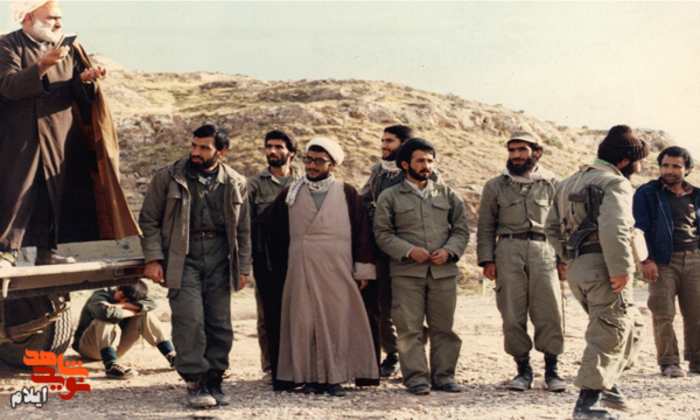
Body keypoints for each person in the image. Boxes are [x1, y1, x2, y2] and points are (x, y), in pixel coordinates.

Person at [0, 1, 139, 269]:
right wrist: (42, 65)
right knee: (16, 192)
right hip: (20, 137)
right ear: (28, 18)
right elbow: (8, 86)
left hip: (59, 134)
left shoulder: (68, 48)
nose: (59, 24)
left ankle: (47, 252)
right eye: (52, 18)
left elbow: (78, 97)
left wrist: (85, 81)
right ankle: (7, 253)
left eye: (60, 18)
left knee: (54, 191)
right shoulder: (7, 45)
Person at [254, 137, 379, 397]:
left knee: (338, 321)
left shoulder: (347, 192)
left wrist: (363, 269)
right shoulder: (291, 193)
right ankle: (309, 377)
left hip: (338, 269)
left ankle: (336, 377)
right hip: (301, 268)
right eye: (308, 160)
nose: (311, 165)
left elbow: (362, 232)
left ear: (333, 165)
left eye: (318, 161)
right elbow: (266, 227)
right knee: (304, 321)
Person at [139, 124, 251, 408]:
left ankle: (215, 379)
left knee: (219, 323)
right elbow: (149, 220)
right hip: (182, 257)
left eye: (204, 148)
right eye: (194, 145)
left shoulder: (236, 182)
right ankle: (195, 380)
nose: (196, 152)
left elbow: (243, 230)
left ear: (221, 153)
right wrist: (153, 258)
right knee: (189, 319)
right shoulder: (169, 176)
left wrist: (243, 268)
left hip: (219, 259)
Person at [545, 125, 647, 420]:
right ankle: (588, 403)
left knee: (633, 325)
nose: (640, 168)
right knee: (609, 332)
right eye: (638, 161)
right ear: (625, 161)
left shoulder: (567, 182)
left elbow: (550, 227)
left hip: (580, 268)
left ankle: (608, 384)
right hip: (604, 266)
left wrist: (571, 259)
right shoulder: (615, 183)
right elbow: (615, 229)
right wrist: (622, 270)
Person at [374, 138, 470, 395]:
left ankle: (445, 377)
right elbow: (382, 233)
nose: (426, 165)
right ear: (405, 164)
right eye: (420, 161)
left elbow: (461, 230)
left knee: (444, 329)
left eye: (430, 161)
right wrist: (408, 251)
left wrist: (449, 251)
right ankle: (416, 378)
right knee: (409, 329)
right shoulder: (389, 197)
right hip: (406, 273)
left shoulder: (447, 194)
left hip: (443, 273)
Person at [476, 131, 566, 392]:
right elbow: (485, 225)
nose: (516, 155)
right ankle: (523, 371)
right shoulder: (495, 185)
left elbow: (563, 225)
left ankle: (552, 371)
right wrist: (487, 259)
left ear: (536, 152)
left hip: (544, 249)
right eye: (512, 150)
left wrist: (563, 259)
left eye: (522, 150)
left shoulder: (553, 184)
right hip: (507, 250)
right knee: (512, 312)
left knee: (549, 311)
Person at [361, 125, 443, 378]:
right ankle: (393, 354)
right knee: (383, 305)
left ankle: (416, 356)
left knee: (417, 307)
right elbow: (364, 202)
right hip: (384, 249)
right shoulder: (379, 172)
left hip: (417, 251)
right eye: (382, 140)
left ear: (405, 145)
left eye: (390, 141)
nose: (383, 145)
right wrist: (380, 216)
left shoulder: (428, 174)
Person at [633, 146, 700, 378]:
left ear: (687, 169)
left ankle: (697, 361)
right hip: (662, 262)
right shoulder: (647, 193)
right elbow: (639, 229)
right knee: (663, 314)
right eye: (665, 165)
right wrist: (647, 260)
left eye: (676, 166)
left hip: (695, 260)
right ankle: (669, 362)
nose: (669, 170)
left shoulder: (697, 195)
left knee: (696, 314)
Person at [248, 130, 300, 384]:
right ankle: (271, 366)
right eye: (269, 146)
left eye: (278, 147)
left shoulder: (303, 181)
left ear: (291, 152)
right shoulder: (254, 185)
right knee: (266, 314)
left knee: (300, 311)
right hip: (266, 258)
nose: (272, 151)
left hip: (299, 257)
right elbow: (246, 224)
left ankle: (300, 363)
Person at [72, 280, 175, 379]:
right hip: (89, 347)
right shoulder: (101, 295)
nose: (121, 301)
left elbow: (153, 304)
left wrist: (121, 306)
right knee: (107, 319)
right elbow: (106, 313)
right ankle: (111, 366)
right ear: (117, 288)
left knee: (146, 314)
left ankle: (172, 356)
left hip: (116, 347)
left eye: (127, 301)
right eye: (121, 297)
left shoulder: (130, 298)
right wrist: (133, 311)